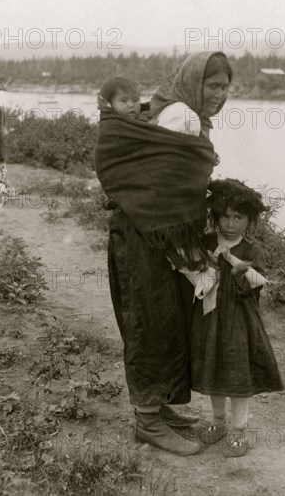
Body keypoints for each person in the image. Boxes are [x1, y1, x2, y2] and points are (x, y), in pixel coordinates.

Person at [94, 51, 233, 456]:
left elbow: (170, 178)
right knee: (148, 321)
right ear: (194, 83)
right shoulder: (181, 117)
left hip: (157, 232)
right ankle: (148, 421)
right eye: (213, 86)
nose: (221, 95)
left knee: (167, 317)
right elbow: (161, 182)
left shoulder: (183, 113)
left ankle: (162, 406)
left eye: (226, 87)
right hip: (144, 232)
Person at [190, 178, 284, 457]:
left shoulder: (252, 250)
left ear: (250, 220)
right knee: (214, 369)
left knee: (237, 372)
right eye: (225, 217)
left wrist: (229, 259)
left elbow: (256, 281)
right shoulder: (207, 241)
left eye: (238, 218)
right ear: (216, 217)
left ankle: (239, 431)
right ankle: (218, 423)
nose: (230, 224)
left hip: (239, 321)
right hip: (209, 317)